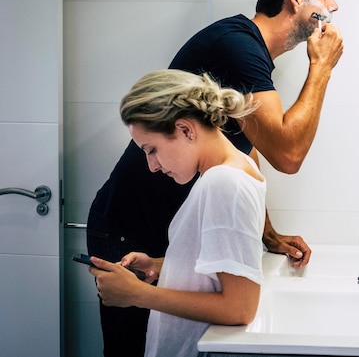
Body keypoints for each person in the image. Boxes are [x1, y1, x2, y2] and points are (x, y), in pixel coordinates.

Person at [87, 0, 343, 356]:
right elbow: (288, 154)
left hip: (163, 221)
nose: (333, 5)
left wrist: (267, 233)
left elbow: (248, 149)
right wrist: (322, 68)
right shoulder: (238, 48)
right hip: (133, 220)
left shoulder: (244, 49)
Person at [90, 69, 266, 357]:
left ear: (186, 129)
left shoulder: (224, 182)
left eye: (152, 150)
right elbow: (221, 267)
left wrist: (137, 294)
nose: (153, 166)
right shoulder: (238, 167)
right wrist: (164, 265)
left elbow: (240, 307)